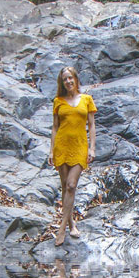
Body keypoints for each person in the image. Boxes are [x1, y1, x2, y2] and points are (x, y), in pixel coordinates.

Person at [49, 66, 97, 247]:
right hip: (62, 146)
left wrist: (92, 148)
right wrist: (51, 150)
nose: (68, 82)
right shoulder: (58, 101)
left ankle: (61, 229)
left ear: (76, 79)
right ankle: (71, 223)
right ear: (62, 83)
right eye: (65, 79)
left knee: (71, 185)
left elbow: (91, 125)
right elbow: (55, 127)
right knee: (64, 186)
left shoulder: (87, 99)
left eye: (71, 78)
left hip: (79, 147)